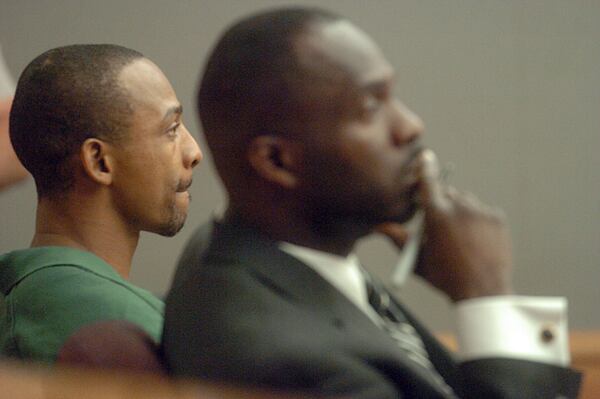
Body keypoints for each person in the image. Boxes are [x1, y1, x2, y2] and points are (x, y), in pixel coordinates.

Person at [162, 7, 581, 399]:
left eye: (392, 96)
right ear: (277, 161)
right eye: (371, 106)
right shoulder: (288, 362)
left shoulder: (253, 252)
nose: (410, 125)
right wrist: (487, 294)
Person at [0, 44, 202, 363]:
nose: (193, 152)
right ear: (99, 161)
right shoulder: (127, 333)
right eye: (171, 129)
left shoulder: (17, 292)